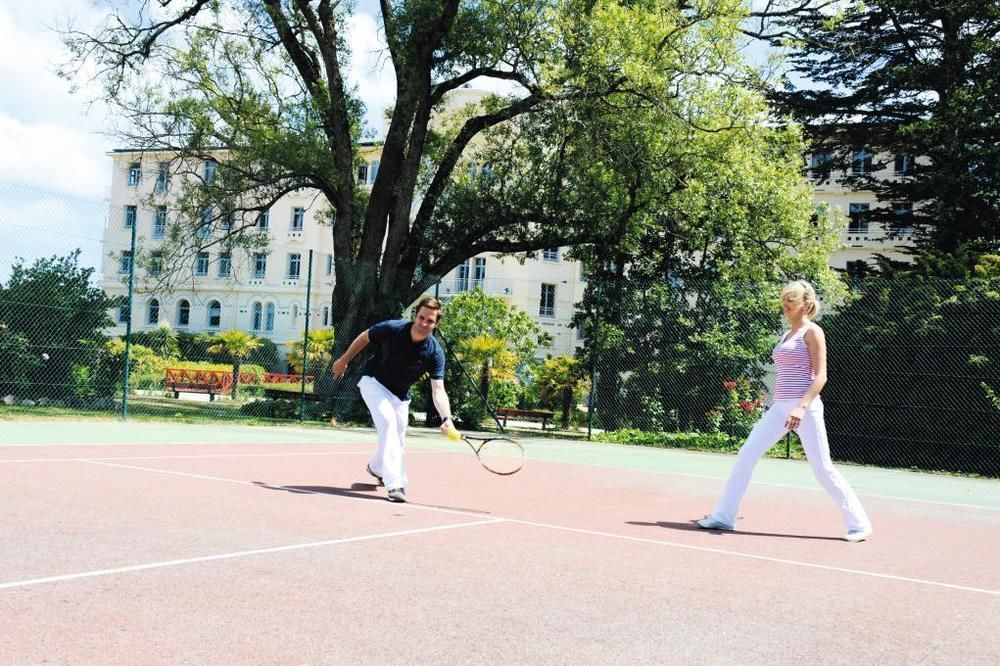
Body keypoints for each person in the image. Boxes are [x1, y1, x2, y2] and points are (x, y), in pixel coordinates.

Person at [696, 281, 873, 542]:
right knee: (746, 456)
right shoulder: (786, 334)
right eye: (784, 299)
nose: (786, 304)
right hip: (779, 408)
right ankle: (724, 516)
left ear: (806, 304)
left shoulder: (813, 332)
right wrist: (787, 406)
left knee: (823, 469)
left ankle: (859, 525)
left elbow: (821, 376)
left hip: (806, 408)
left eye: (791, 300)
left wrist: (801, 408)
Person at [332, 297, 455, 503]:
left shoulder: (435, 353)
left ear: (437, 323)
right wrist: (344, 360)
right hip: (374, 382)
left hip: (400, 394)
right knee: (387, 423)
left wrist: (447, 418)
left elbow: (438, 389)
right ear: (415, 316)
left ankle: (376, 467)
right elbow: (364, 337)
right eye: (422, 318)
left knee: (398, 439)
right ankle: (395, 484)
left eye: (430, 321)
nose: (424, 324)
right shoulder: (392, 328)